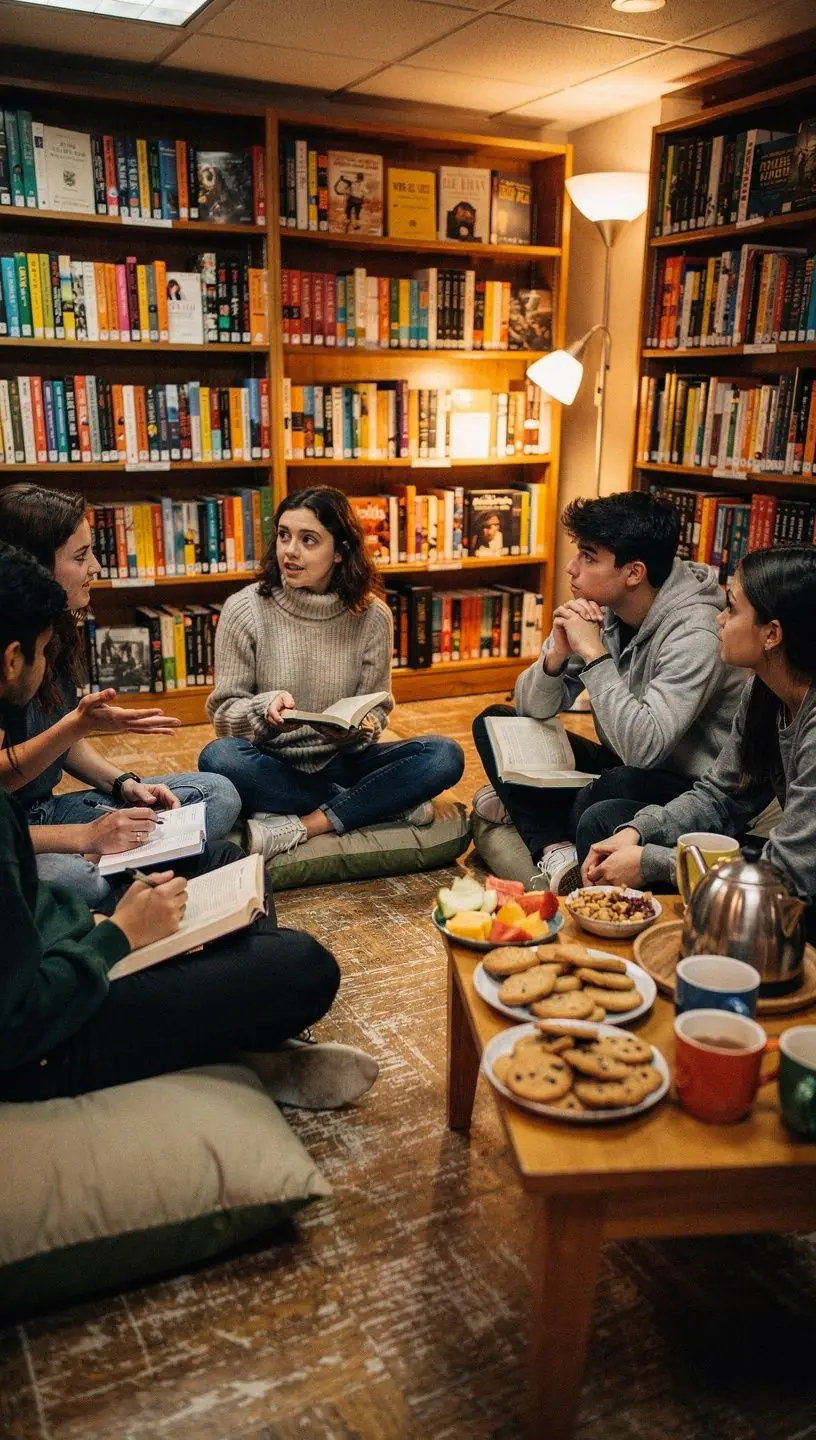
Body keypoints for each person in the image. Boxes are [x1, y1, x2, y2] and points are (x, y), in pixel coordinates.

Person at [0, 541, 377, 1108]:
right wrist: (117, 935)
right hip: (42, 1047)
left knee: (228, 862)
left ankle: (240, 1027)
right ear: (11, 659)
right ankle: (247, 1044)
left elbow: (29, 923)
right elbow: (18, 1021)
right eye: (44, 651)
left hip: (61, 956)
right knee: (302, 966)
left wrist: (98, 920)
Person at [471, 491, 746, 894]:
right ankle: (556, 848)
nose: (571, 569)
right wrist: (557, 657)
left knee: (600, 805)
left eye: (587, 557)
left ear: (633, 573)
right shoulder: (609, 606)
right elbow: (531, 708)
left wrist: (594, 653)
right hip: (622, 760)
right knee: (495, 721)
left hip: (683, 783)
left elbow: (644, 751)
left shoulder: (696, 632)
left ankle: (531, 810)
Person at [0, 484, 241, 906]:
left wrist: (125, 783)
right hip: (16, 831)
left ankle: (126, 873)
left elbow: (58, 741)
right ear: (33, 565)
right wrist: (87, 836)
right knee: (78, 880)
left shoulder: (52, 632)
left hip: (46, 811)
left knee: (217, 793)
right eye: (80, 557)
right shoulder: (13, 651)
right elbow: (14, 771)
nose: (95, 566)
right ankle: (137, 877)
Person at [199, 486, 464, 859]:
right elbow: (224, 717)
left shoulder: (373, 617)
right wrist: (265, 710)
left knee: (444, 755)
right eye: (284, 535)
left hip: (343, 761)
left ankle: (309, 823)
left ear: (340, 552)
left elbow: (377, 709)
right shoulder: (244, 609)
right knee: (218, 758)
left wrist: (357, 727)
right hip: (273, 763)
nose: (290, 550)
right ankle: (380, 803)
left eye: (309, 540)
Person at [581, 546, 816, 932]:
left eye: (732, 608)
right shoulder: (763, 693)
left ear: (772, 633)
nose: (719, 619)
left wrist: (651, 860)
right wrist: (639, 833)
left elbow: (785, 877)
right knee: (609, 821)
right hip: (783, 872)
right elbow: (721, 795)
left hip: (795, 893)